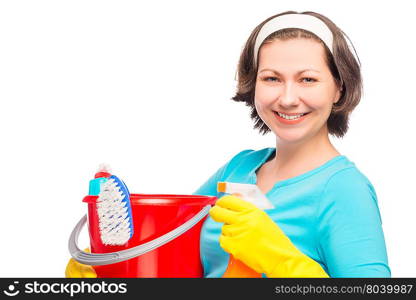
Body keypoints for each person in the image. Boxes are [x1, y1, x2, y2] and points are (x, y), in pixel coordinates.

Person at [65, 10, 390, 278]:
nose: (288, 98)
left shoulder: (345, 189)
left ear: (338, 89)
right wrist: (111, 268)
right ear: (254, 85)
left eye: (308, 79)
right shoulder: (239, 168)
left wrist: (283, 263)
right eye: (272, 78)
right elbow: (173, 251)